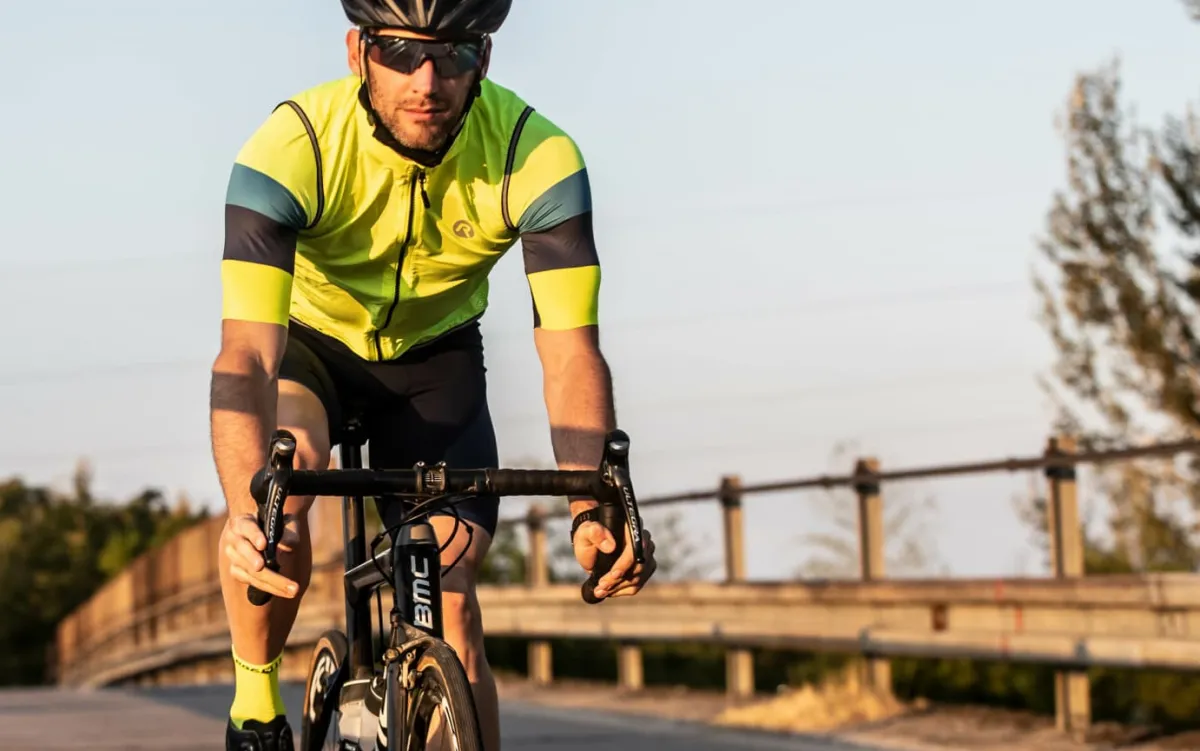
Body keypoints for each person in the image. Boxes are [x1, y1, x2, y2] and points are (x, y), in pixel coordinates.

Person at [208, 1, 658, 749]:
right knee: (278, 503)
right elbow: (246, 356)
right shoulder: (291, 148)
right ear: (357, 52)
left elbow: (570, 353)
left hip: (435, 362)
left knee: (450, 599)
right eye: (399, 52)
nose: (426, 80)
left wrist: (591, 502)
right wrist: (242, 505)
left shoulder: (536, 157)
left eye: (452, 55)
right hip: (310, 351)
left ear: (485, 60)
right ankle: (254, 705)